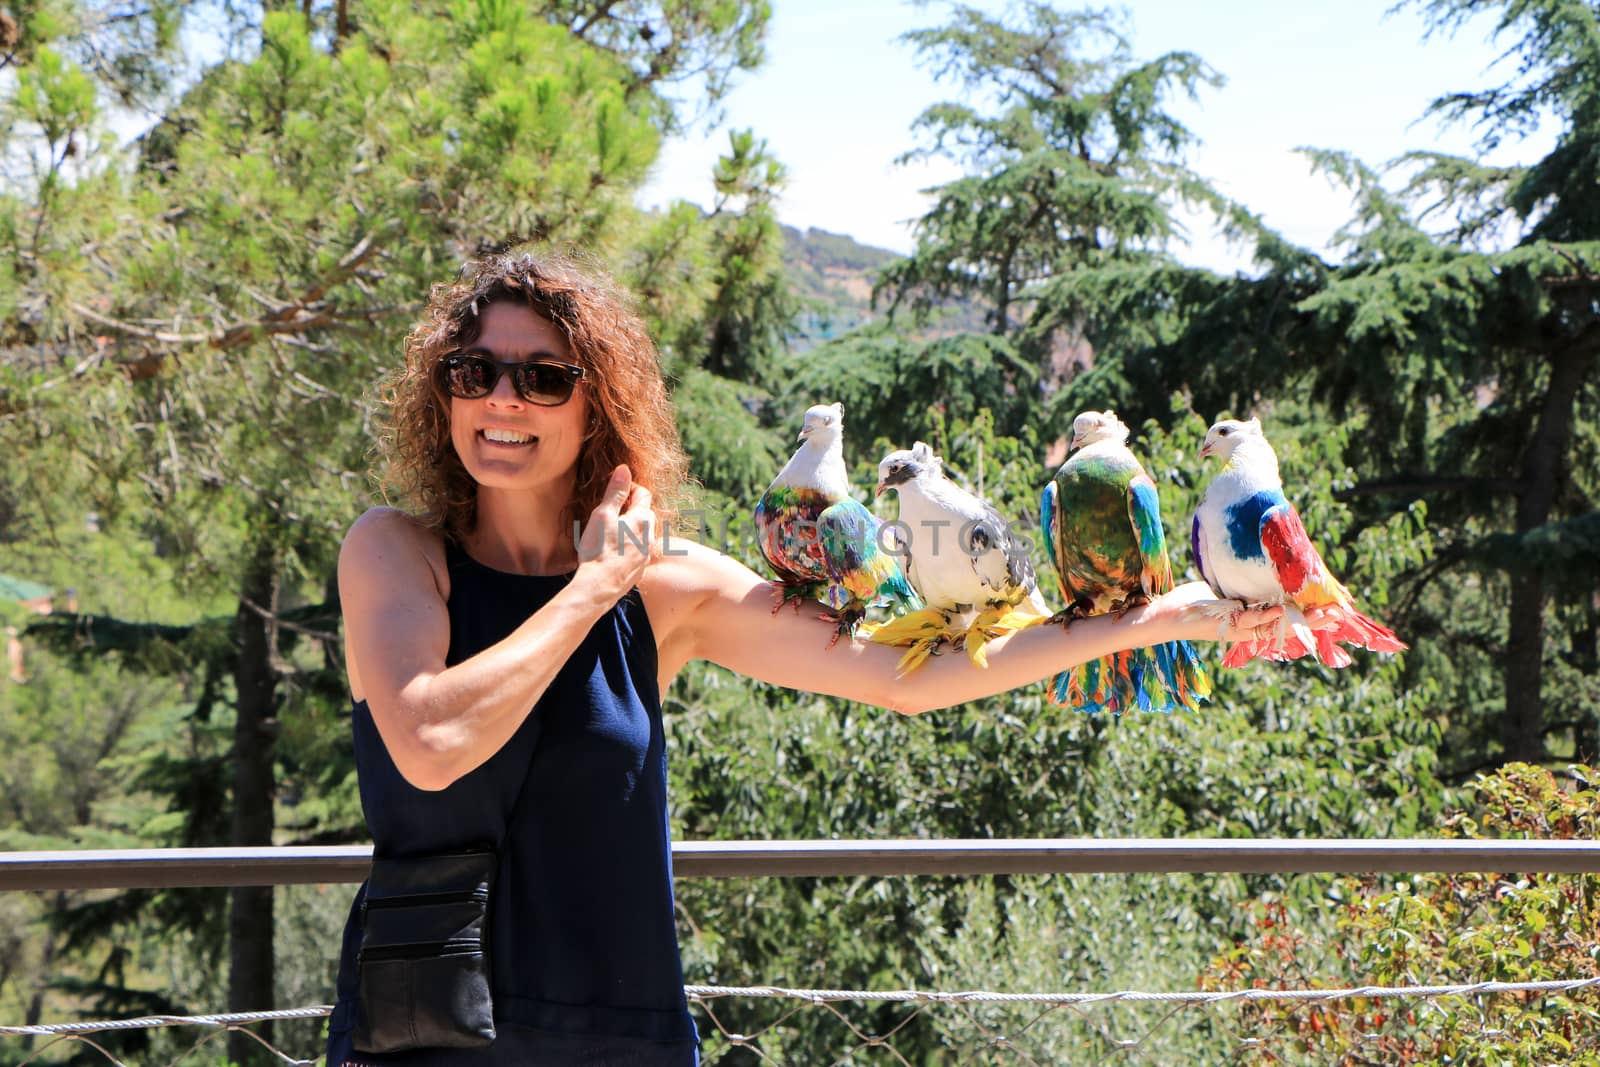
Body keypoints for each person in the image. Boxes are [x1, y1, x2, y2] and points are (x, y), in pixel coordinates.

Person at [323, 249, 1294, 1066]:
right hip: (425, 1036)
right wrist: (589, 588)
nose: (502, 397)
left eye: (541, 376)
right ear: (441, 394)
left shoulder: (669, 586)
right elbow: (431, 738)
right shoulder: (395, 552)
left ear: (594, 405)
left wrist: (1154, 621)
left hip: (620, 1035)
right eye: (473, 371)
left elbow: (902, 675)